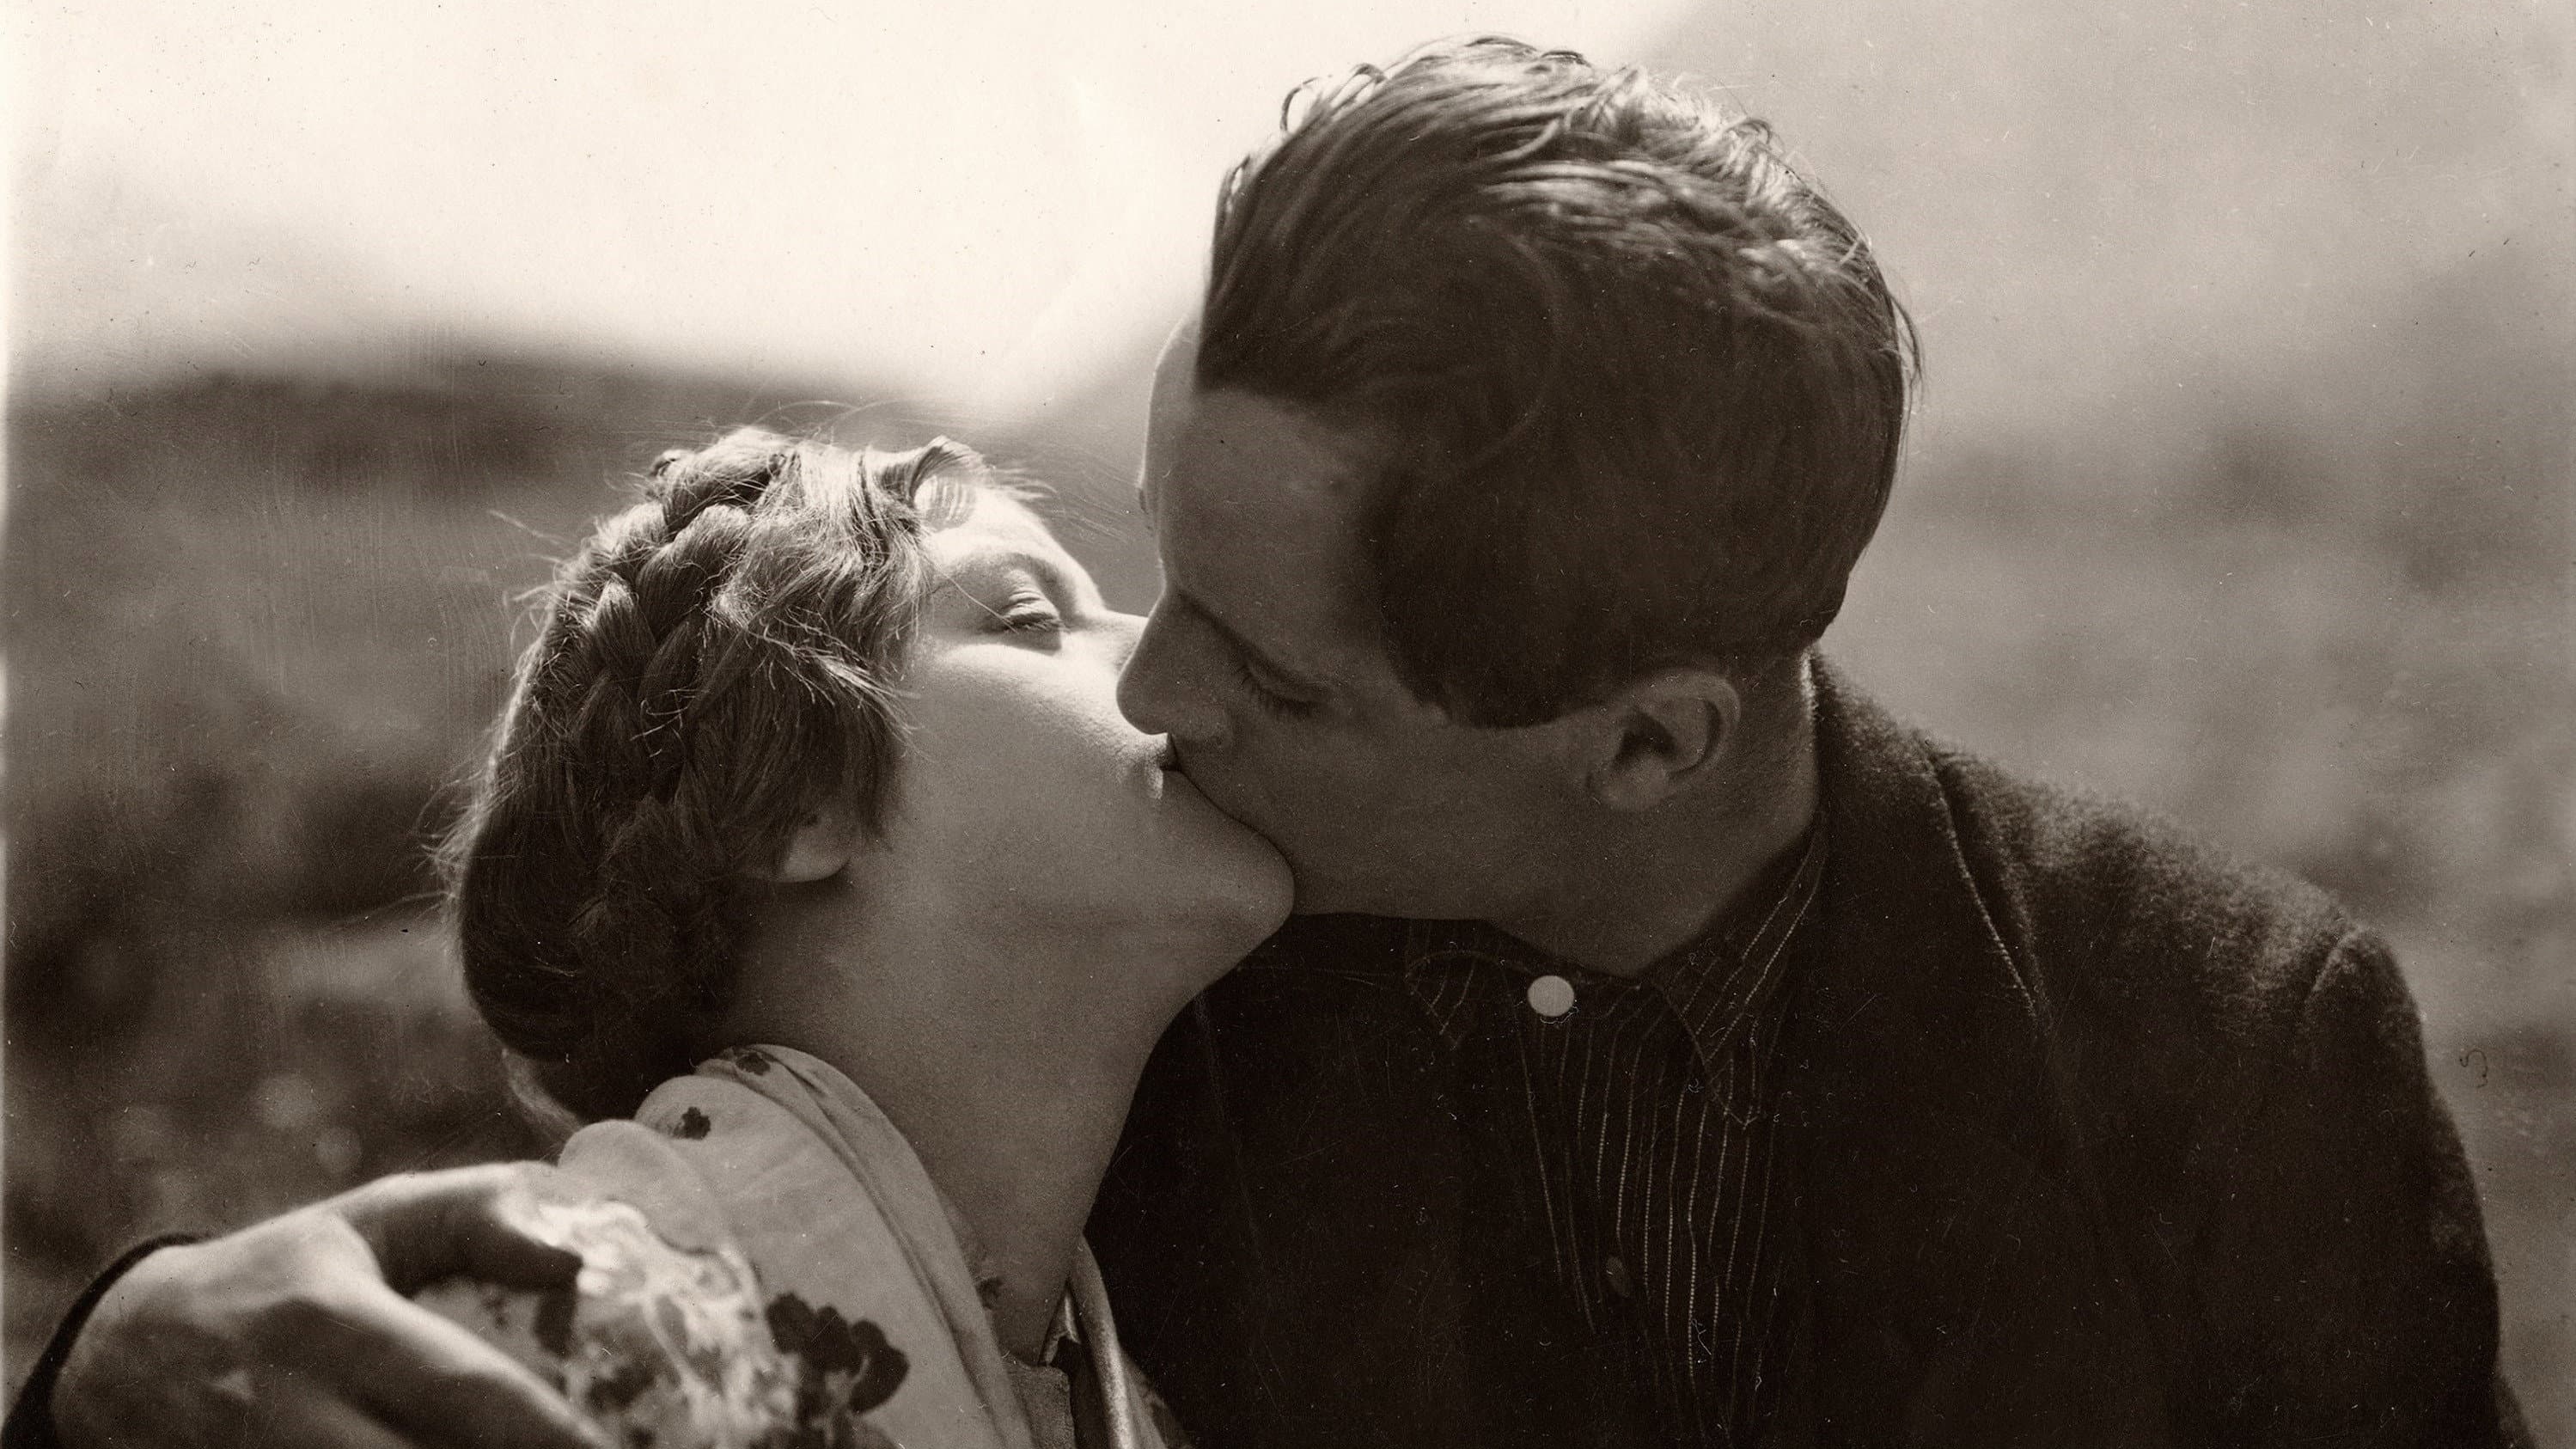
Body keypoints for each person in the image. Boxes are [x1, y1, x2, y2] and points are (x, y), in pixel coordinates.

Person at [11, 37, 2524, 1449]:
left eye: (1269, 663)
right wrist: (108, 1363)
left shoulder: (2217, 1054)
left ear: (1644, 738)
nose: (1156, 688)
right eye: (1136, 567)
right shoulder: (1124, 974)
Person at [13, 429, 1288, 1448]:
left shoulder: (1110, 1390)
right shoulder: (529, 1331)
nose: (1155, 664)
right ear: (799, 799)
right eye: (1027, 617)